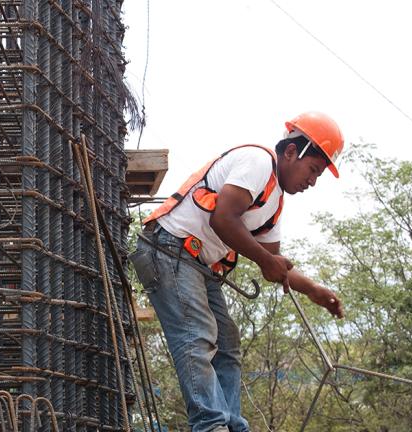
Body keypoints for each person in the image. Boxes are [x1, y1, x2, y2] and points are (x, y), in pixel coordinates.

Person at [130, 112, 346, 432]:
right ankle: (211, 424)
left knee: (227, 341)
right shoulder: (258, 162)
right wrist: (264, 260)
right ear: (291, 152)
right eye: (313, 169)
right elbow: (223, 219)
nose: (312, 181)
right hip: (168, 249)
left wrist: (312, 289)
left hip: (195, 263)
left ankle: (231, 425)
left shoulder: (274, 203)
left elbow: (275, 260)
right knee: (197, 334)